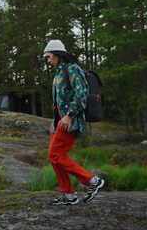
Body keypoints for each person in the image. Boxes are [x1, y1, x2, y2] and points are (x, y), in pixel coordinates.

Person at [44, 39, 105, 205]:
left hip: (71, 121)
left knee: (55, 155)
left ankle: (92, 181)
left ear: (58, 54)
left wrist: (69, 116)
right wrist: (54, 121)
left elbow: (82, 95)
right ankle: (68, 195)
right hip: (60, 122)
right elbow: (59, 100)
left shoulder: (73, 69)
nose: (48, 60)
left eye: (49, 57)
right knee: (55, 157)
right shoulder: (59, 72)